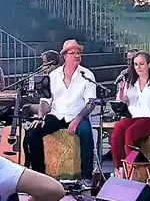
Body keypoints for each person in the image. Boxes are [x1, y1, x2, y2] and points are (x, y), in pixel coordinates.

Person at [24, 39, 98, 183]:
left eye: (79, 53)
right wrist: (40, 117)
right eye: (73, 53)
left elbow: (91, 103)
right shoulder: (53, 75)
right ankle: (40, 176)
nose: (77, 56)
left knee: (87, 134)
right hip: (56, 115)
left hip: (78, 115)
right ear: (65, 56)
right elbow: (45, 101)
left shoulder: (87, 75)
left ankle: (86, 177)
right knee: (32, 134)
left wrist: (77, 120)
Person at [112, 50, 150, 167]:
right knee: (118, 129)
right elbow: (123, 101)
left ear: (149, 64)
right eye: (136, 64)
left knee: (130, 132)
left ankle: (131, 164)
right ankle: (119, 167)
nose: (138, 67)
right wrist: (122, 89)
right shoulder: (131, 83)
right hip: (135, 117)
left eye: (141, 64)